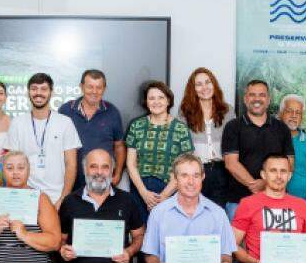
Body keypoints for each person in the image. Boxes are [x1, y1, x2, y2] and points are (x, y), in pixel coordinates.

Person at [222, 80, 294, 263]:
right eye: (252, 95)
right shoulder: (233, 126)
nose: (257, 99)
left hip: (274, 199)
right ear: (245, 99)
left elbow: (288, 163)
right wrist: (254, 185)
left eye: (261, 95)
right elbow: (231, 162)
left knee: (270, 246)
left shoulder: (281, 128)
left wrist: (264, 184)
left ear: (268, 99)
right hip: (238, 198)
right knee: (238, 250)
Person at [6, 73, 81, 206]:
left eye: (44, 89)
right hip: (25, 196)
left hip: (57, 197)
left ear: (51, 92)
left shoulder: (65, 123)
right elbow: (11, 164)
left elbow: (71, 165)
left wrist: (63, 199)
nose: (38, 93)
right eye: (34, 88)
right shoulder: (17, 123)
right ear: (28, 92)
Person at [125, 81, 194, 215]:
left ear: (168, 100)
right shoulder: (136, 125)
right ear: (146, 102)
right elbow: (131, 164)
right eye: (151, 98)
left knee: (165, 232)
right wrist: (144, 193)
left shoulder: (180, 128)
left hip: (169, 188)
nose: (156, 102)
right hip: (140, 188)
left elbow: (185, 167)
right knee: (139, 233)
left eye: (161, 97)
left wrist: (163, 196)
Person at [59, 69, 125, 189]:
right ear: (82, 87)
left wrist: (118, 173)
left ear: (104, 89)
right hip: (70, 182)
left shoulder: (112, 112)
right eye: (90, 87)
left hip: (101, 181)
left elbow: (119, 146)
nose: (94, 91)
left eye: (99, 87)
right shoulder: (66, 110)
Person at [178, 67, 230, 205]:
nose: (204, 87)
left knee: (218, 213)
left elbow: (232, 144)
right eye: (199, 84)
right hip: (195, 171)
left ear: (214, 84)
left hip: (222, 170)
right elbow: (182, 147)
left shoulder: (228, 111)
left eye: (208, 82)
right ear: (193, 89)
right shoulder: (185, 112)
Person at [278, 94, 306, 214]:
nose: (294, 116)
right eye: (289, 111)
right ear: (281, 113)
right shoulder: (270, 136)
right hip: (272, 205)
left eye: (298, 112)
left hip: (300, 205)